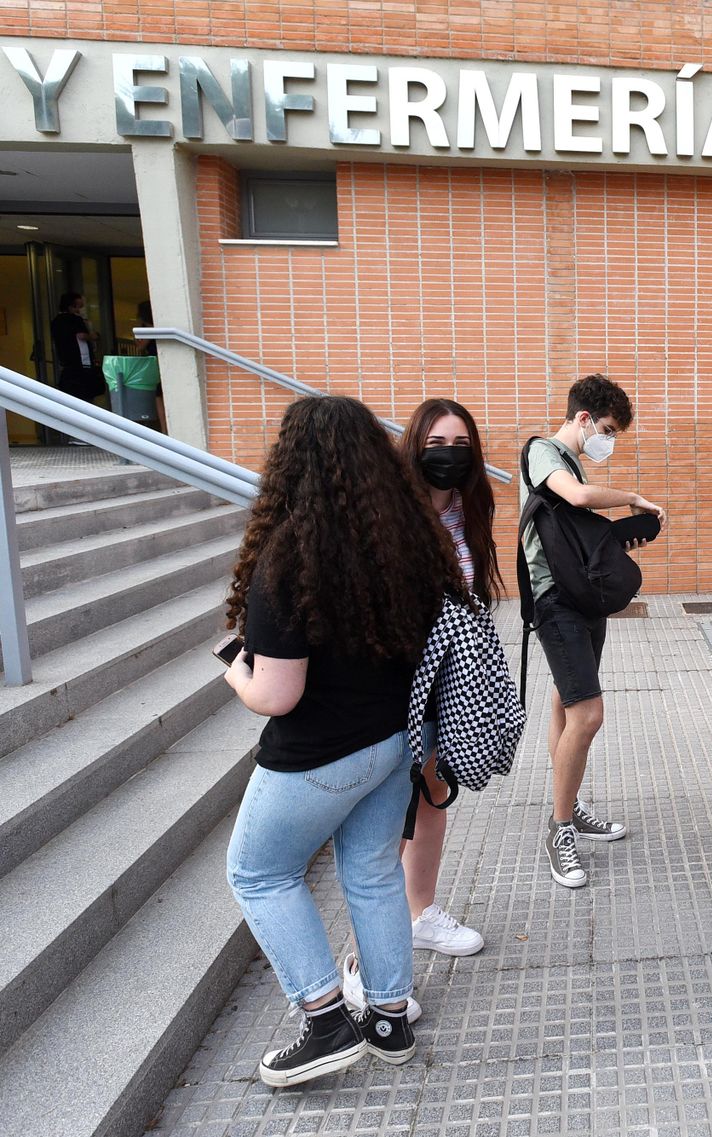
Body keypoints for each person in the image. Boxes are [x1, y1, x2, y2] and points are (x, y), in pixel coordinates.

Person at [223, 396, 464, 1088]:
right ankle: (389, 1019)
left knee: (258, 872)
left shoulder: (289, 556)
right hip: (391, 744)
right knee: (374, 872)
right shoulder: (408, 544)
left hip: (318, 756)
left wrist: (238, 673)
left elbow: (277, 694)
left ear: (289, 464)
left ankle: (326, 1021)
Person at [340, 399, 502, 1018]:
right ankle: (361, 959)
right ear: (414, 445)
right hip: (400, 687)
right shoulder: (392, 515)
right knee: (387, 823)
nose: (449, 451)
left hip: (450, 684)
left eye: (461, 441)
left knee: (434, 799)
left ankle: (421, 912)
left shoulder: (469, 509)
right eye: (437, 440)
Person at [520, 374, 665, 889]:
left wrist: (617, 543)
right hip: (554, 601)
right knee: (589, 712)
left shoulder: (571, 461)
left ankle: (571, 805)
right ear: (583, 418)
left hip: (581, 597)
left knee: (566, 701)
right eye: (605, 428)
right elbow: (578, 498)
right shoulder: (542, 452)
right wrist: (632, 497)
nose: (607, 439)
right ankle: (560, 829)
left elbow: (576, 532)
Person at [49, 292, 105, 415]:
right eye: (78, 306)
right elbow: (81, 336)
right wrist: (93, 336)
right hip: (82, 366)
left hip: (67, 365)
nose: (80, 310)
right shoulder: (76, 320)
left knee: (70, 404)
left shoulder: (56, 322)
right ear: (71, 306)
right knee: (87, 402)